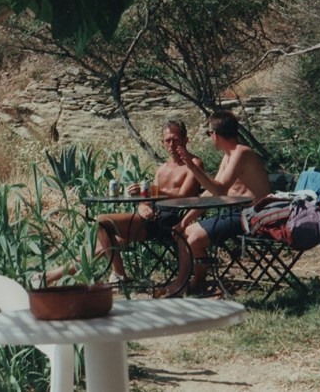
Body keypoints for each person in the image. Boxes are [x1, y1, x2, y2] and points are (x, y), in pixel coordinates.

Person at [41, 119, 203, 285]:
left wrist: (152, 191)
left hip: (172, 221)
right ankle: (49, 277)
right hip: (151, 219)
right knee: (100, 246)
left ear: (185, 140)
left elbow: (184, 195)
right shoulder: (162, 169)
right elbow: (148, 199)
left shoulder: (194, 164)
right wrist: (142, 205)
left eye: (175, 139)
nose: (171, 144)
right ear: (162, 143)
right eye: (167, 140)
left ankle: (119, 275)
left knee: (102, 221)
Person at [157, 110, 271, 297]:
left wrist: (191, 166)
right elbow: (211, 193)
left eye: (209, 134)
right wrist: (184, 221)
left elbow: (219, 190)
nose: (209, 138)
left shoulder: (241, 153)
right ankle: (186, 283)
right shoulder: (228, 156)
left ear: (215, 135)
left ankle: (192, 284)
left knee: (193, 238)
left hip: (253, 216)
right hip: (237, 214)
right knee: (184, 232)